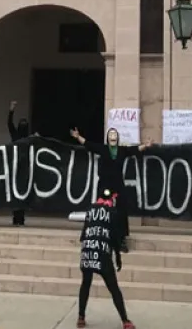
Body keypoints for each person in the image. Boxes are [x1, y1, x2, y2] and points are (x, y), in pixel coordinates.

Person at [70, 127, 151, 253]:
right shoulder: (103, 149)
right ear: (107, 138)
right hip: (105, 186)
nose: (113, 136)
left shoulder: (122, 150)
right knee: (103, 210)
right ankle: (102, 237)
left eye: (114, 134)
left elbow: (134, 150)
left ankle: (121, 239)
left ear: (117, 137)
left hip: (118, 185)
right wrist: (78, 136)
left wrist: (145, 146)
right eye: (110, 134)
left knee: (121, 210)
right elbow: (88, 145)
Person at [76, 189, 135, 329]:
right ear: (112, 200)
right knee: (114, 288)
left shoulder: (90, 209)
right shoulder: (112, 213)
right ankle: (125, 320)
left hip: (88, 251)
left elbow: (83, 234)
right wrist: (118, 257)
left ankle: (81, 317)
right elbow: (115, 237)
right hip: (102, 253)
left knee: (85, 283)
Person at [7, 100, 30, 226]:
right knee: (17, 194)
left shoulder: (29, 139)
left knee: (21, 194)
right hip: (17, 168)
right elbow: (10, 124)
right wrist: (11, 110)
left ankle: (19, 217)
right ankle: (17, 217)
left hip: (23, 170)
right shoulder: (20, 137)